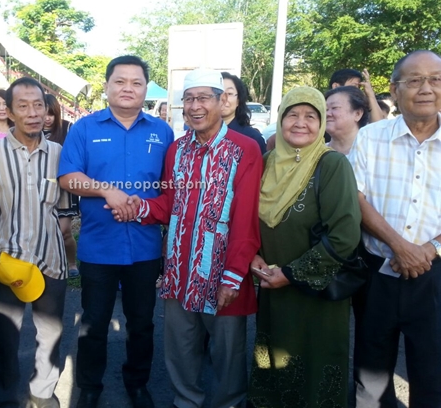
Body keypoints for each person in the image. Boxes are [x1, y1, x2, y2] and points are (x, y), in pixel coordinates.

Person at [121, 68, 263, 408]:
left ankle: (229, 403)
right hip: (180, 270)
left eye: (203, 98)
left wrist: (233, 275)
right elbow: (170, 203)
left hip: (223, 272)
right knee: (180, 347)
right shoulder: (177, 150)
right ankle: (187, 401)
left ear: (221, 101)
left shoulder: (244, 149)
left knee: (228, 353)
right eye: (188, 99)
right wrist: (138, 207)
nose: (195, 106)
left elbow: (246, 218)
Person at [58, 55, 174, 408]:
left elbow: (169, 186)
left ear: (145, 89)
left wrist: (141, 206)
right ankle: (90, 386)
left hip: (144, 246)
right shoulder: (84, 128)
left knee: (142, 324)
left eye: (136, 83)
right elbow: (68, 177)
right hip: (98, 245)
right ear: (107, 86)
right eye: (120, 81)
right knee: (93, 322)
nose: (128, 88)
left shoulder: (162, 131)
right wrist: (109, 190)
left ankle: (137, 383)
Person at [248, 86, 361, 408]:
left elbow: (344, 235)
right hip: (272, 287)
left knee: (314, 363)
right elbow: (245, 217)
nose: (301, 123)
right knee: (273, 359)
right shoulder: (267, 161)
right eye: (292, 115)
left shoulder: (332, 165)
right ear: (280, 120)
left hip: (316, 293)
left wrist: (292, 274)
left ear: (322, 122)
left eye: (311, 116)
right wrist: (253, 255)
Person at [349, 50, 441, 408]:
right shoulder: (371, 137)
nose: (426, 89)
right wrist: (399, 245)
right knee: (370, 379)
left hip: (435, 276)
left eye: (435, 80)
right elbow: (355, 197)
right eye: (414, 80)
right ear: (394, 89)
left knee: (432, 375)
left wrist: (428, 250)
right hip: (377, 273)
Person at [0, 77, 68, 408]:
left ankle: (42, 391)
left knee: (51, 335)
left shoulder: (60, 155)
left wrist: (65, 234)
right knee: (3, 339)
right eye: (22, 106)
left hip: (50, 259)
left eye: (38, 105)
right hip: (5, 261)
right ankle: (4, 400)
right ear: (9, 112)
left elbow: (67, 208)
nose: (32, 113)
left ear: (47, 109)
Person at [43, 93, 79, 278]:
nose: (47, 118)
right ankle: (51, 265)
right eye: (45, 113)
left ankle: (71, 263)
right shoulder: (31, 130)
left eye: (52, 114)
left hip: (64, 187)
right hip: (40, 187)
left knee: (64, 231)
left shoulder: (67, 128)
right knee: (45, 231)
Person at [221, 72, 266, 154]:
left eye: (229, 93)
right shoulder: (199, 135)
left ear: (238, 99)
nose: (224, 98)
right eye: (219, 93)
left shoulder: (253, 138)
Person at [324, 85, 369, 154]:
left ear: (357, 114)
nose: (327, 114)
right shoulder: (316, 154)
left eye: (334, 107)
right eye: (326, 109)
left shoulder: (371, 153)